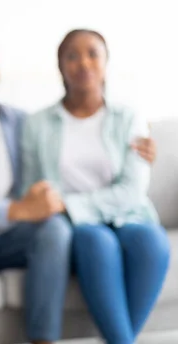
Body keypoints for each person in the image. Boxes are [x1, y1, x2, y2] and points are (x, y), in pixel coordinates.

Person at [0, 31, 157, 344]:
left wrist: (142, 148)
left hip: (14, 236)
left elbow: (65, 150)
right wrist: (14, 209)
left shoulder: (20, 122)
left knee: (55, 229)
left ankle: (43, 340)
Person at [21, 29, 170, 344]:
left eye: (92, 54)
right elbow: (33, 188)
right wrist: (59, 208)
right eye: (72, 56)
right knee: (98, 242)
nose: (83, 63)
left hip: (128, 214)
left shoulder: (129, 117)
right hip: (79, 226)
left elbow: (133, 189)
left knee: (153, 242)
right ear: (60, 66)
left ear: (106, 63)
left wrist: (69, 203)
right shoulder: (37, 125)